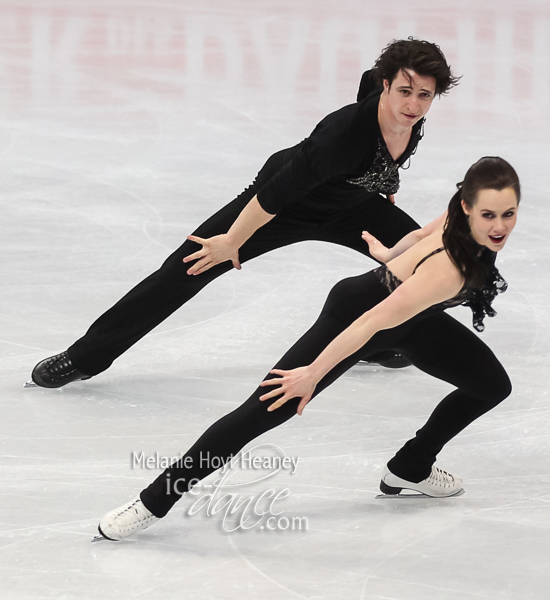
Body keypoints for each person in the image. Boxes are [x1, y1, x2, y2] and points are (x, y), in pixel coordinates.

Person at [95, 156, 520, 541]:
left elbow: (420, 232)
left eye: (508, 214)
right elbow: (371, 323)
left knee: (490, 386)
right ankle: (152, 502)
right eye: (488, 215)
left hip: (409, 318)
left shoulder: (458, 216)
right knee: (260, 412)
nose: (498, 226)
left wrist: (390, 253)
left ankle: (410, 468)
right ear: (466, 207)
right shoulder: (448, 271)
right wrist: (312, 374)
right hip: (361, 314)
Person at [29, 38, 460, 388]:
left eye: (425, 95)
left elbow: (382, 122)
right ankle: (85, 356)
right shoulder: (341, 137)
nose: (414, 104)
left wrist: (383, 186)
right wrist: (231, 241)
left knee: (436, 265)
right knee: (187, 268)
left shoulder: (408, 113)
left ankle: (380, 342)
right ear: (386, 86)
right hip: (285, 205)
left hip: (350, 206)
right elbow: (276, 195)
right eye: (404, 91)